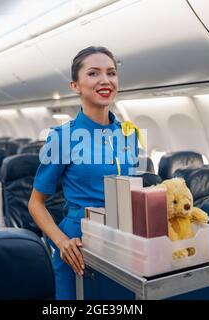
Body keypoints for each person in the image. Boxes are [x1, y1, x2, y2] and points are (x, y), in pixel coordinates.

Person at [28, 46, 141, 300]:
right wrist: (61, 242)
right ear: (75, 85)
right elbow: (35, 203)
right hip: (78, 246)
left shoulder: (129, 134)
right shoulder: (62, 138)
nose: (105, 80)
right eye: (93, 73)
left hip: (122, 242)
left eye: (111, 73)